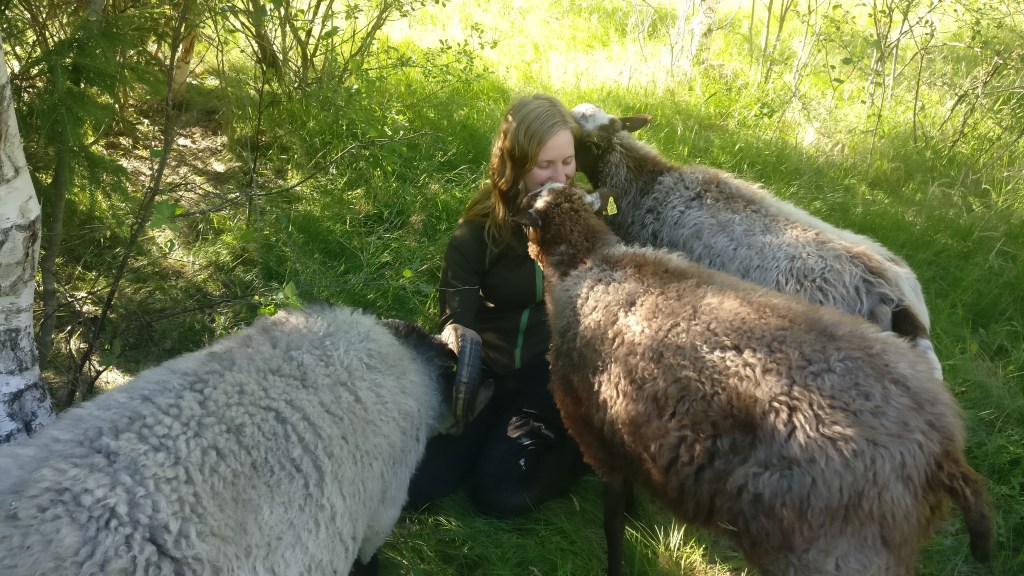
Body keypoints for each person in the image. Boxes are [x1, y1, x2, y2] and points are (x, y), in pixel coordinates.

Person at [406, 94, 589, 517]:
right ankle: (491, 439)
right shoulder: (478, 233)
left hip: (549, 375)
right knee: (419, 486)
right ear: (515, 163)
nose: (560, 177)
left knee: (499, 493)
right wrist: (461, 385)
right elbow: (455, 323)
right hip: (486, 373)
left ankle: (585, 451)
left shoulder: (586, 221)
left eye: (568, 162)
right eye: (545, 165)